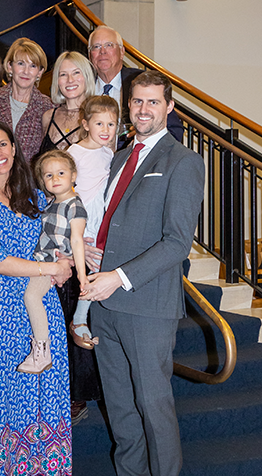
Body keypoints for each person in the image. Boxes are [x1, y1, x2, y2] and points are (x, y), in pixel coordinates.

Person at [81, 71, 205, 476]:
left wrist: (119, 276)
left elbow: (176, 242)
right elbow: (115, 224)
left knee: (155, 410)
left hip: (147, 308)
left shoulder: (183, 161)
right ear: (127, 105)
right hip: (105, 305)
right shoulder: (120, 155)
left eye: (153, 102)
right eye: (137, 101)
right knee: (121, 412)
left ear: (169, 107)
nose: (144, 109)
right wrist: (92, 253)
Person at [0, 120, 72, 476]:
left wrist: (66, 262)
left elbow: (58, 239)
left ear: (14, 148)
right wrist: (49, 270)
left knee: (48, 393)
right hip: (4, 313)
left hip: (44, 309)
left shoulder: (37, 196)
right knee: (13, 399)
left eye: (3, 144)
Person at [17, 150, 87, 374]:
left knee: (31, 295)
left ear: (73, 175)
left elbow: (77, 240)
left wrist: (82, 276)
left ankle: (42, 350)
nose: (55, 179)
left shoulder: (74, 205)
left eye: (61, 173)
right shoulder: (50, 203)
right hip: (40, 260)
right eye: (48, 176)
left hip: (50, 262)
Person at [67, 95, 118, 350]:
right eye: (100, 124)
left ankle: (85, 317)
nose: (106, 130)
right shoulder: (74, 153)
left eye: (111, 124)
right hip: (81, 220)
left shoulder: (109, 154)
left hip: (102, 218)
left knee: (99, 266)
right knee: (87, 267)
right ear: (86, 124)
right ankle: (78, 319)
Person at [87, 25, 184, 146]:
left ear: (122, 52)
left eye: (109, 45)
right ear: (90, 55)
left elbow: (174, 130)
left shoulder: (142, 82)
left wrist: (146, 139)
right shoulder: (82, 86)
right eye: (96, 47)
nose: (102, 51)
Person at [0, 38, 54, 162]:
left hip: (30, 179)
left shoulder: (48, 107)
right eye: (21, 63)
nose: (26, 72)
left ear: (40, 72)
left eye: (33, 66)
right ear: (10, 66)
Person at [39, 51, 96, 154]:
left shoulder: (97, 116)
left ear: (87, 76)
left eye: (76, 72)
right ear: (57, 81)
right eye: (63, 74)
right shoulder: (47, 117)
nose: (70, 80)